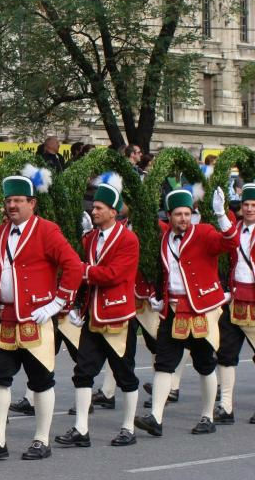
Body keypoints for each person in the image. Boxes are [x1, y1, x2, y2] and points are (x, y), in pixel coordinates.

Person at [0, 167, 82, 462]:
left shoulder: (47, 230)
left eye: (19, 200)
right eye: (9, 201)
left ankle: (41, 439)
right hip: (5, 318)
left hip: (38, 318)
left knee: (41, 380)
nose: (12, 206)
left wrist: (58, 303)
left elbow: (74, 266)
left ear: (32, 203)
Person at [135, 186, 238, 437]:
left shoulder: (204, 232)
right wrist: (159, 297)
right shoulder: (163, 239)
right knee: (163, 364)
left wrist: (220, 214)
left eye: (187, 213)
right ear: (168, 216)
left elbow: (231, 242)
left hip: (200, 308)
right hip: (172, 310)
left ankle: (207, 416)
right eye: (178, 214)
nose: (183, 218)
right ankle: (156, 418)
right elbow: (165, 272)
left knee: (205, 365)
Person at [55, 176, 140, 448]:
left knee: (125, 374)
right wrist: (79, 304)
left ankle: (128, 427)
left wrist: (83, 270)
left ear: (113, 212)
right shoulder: (90, 238)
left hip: (118, 316)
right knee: (83, 371)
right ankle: (81, 429)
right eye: (94, 207)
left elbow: (114, 275)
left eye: (100, 208)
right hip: (93, 316)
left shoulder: (128, 240)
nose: (94, 211)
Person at [213, 183, 255, 425]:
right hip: (235, 298)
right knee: (226, 354)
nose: (249, 209)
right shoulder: (235, 229)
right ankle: (225, 406)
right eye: (246, 205)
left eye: (253, 205)